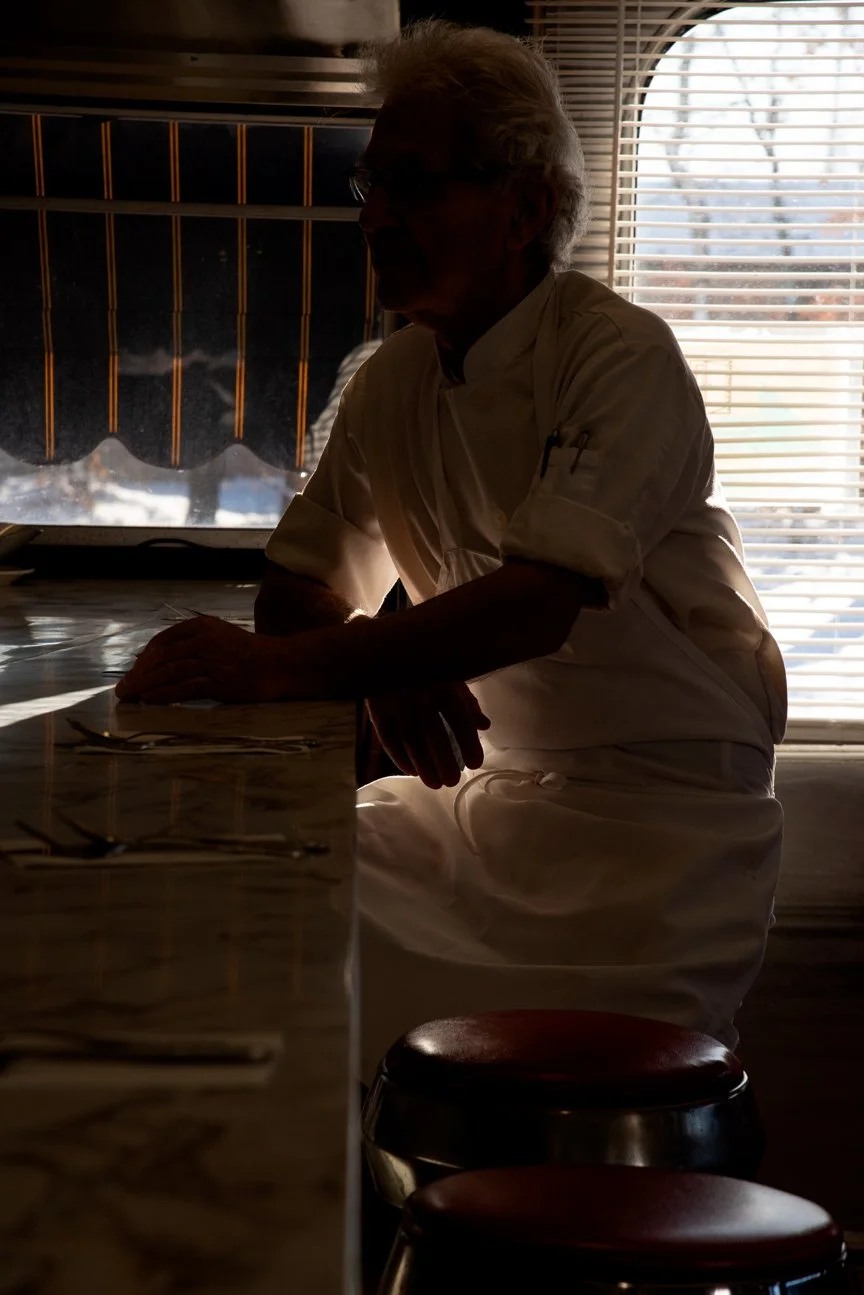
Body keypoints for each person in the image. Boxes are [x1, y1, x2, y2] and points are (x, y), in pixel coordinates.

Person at [118, 21, 787, 1081]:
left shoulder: (618, 354)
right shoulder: (395, 379)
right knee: (252, 900)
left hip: (659, 844)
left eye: (415, 185)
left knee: (319, 996)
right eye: (372, 187)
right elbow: (298, 586)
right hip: (494, 810)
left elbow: (540, 601)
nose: (377, 215)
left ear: (521, 208)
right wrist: (390, 670)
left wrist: (298, 670)